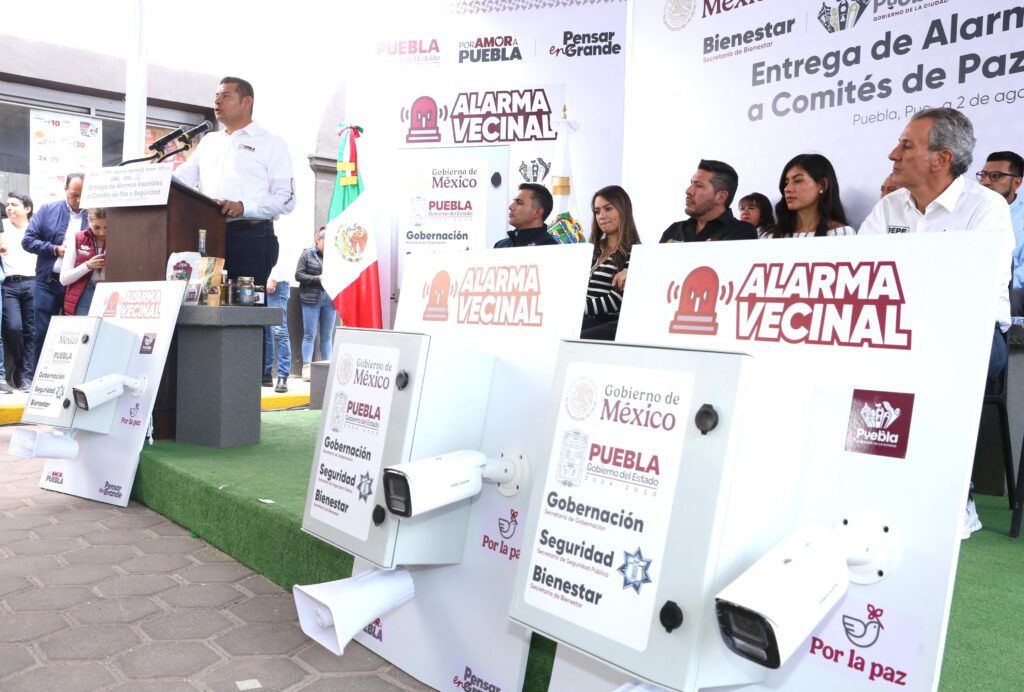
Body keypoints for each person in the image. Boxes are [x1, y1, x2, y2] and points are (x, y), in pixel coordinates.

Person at [859, 107, 1015, 539]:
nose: (893, 154)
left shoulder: (985, 208)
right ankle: (868, 483)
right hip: (898, 330)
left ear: (941, 158)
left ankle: (952, 495)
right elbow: (862, 277)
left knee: (941, 359)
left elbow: (975, 292)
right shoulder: (889, 207)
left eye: (906, 145)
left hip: (974, 335)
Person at [174, 76, 295, 288]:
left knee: (244, 305)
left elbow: (286, 199)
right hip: (207, 236)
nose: (217, 101)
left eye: (226, 96)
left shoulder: (271, 143)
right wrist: (153, 178)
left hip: (251, 237)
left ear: (247, 102)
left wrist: (244, 207)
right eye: (216, 96)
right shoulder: (209, 142)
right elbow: (182, 179)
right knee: (207, 299)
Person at [613, 160, 755, 292]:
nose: (689, 191)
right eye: (691, 183)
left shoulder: (742, 232)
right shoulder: (675, 230)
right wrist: (636, 273)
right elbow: (657, 273)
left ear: (721, 197)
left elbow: (724, 278)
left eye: (699, 186)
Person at [23, 173, 88, 383]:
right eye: (74, 194)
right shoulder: (48, 210)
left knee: (76, 334)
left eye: (82, 194)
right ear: (65, 189)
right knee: (42, 333)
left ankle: (69, 381)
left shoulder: (94, 214)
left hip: (79, 284)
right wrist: (54, 249)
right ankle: (38, 381)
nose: (78, 199)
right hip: (48, 282)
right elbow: (28, 240)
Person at [582, 186, 640, 338]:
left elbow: (617, 300)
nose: (601, 216)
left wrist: (576, 309)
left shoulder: (636, 252)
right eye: (597, 211)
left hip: (604, 324)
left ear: (623, 210)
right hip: (579, 318)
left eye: (608, 209)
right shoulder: (591, 249)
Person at [975, 152, 1024, 321]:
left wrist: (994, 284)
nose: (986, 182)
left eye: (995, 176)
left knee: (1012, 296)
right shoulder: (968, 212)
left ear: (1016, 182)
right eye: (983, 175)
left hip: (1007, 289)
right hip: (970, 284)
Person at [762, 154, 854, 238]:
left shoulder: (841, 234)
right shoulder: (770, 236)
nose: (787, 189)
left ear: (822, 185)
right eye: (786, 183)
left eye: (798, 180)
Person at [2, 193, 35, 391]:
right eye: (7, 204)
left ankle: (26, 376)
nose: (9, 208)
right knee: (14, 328)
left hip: (33, 282)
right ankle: (22, 367)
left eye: (14, 205)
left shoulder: (36, 227)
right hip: (9, 284)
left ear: (27, 209)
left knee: (31, 330)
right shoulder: (2, 226)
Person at [296, 227, 336, 382]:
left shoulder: (334, 257)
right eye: (325, 243)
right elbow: (298, 275)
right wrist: (317, 278)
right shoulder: (307, 254)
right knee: (309, 335)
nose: (327, 247)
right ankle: (306, 368)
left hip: (330, 300)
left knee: (327, 336)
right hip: (311, 299)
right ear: (317, 240)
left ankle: (328, 368)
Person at [60, 207, 107, 315]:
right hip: (84, 292)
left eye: (106, 227)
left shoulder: (119, 239)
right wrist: (87, 266)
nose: (102, 232)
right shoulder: (78, 238)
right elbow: (63, 279)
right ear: (88, 221)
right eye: (96, 227)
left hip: (109, 292)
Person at [495, 183, 557, 248]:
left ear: (538, 212)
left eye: (519, 202)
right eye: (514, 201)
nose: (511, 207)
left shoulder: (550, 248)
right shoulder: (500, 245)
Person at [263, 260, 292, 393]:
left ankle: (282, 376)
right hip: (263, 281)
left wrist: (274, 278)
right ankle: (266, 373)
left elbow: (285, 256)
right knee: (267, 330)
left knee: (279, 331)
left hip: (277, 283)